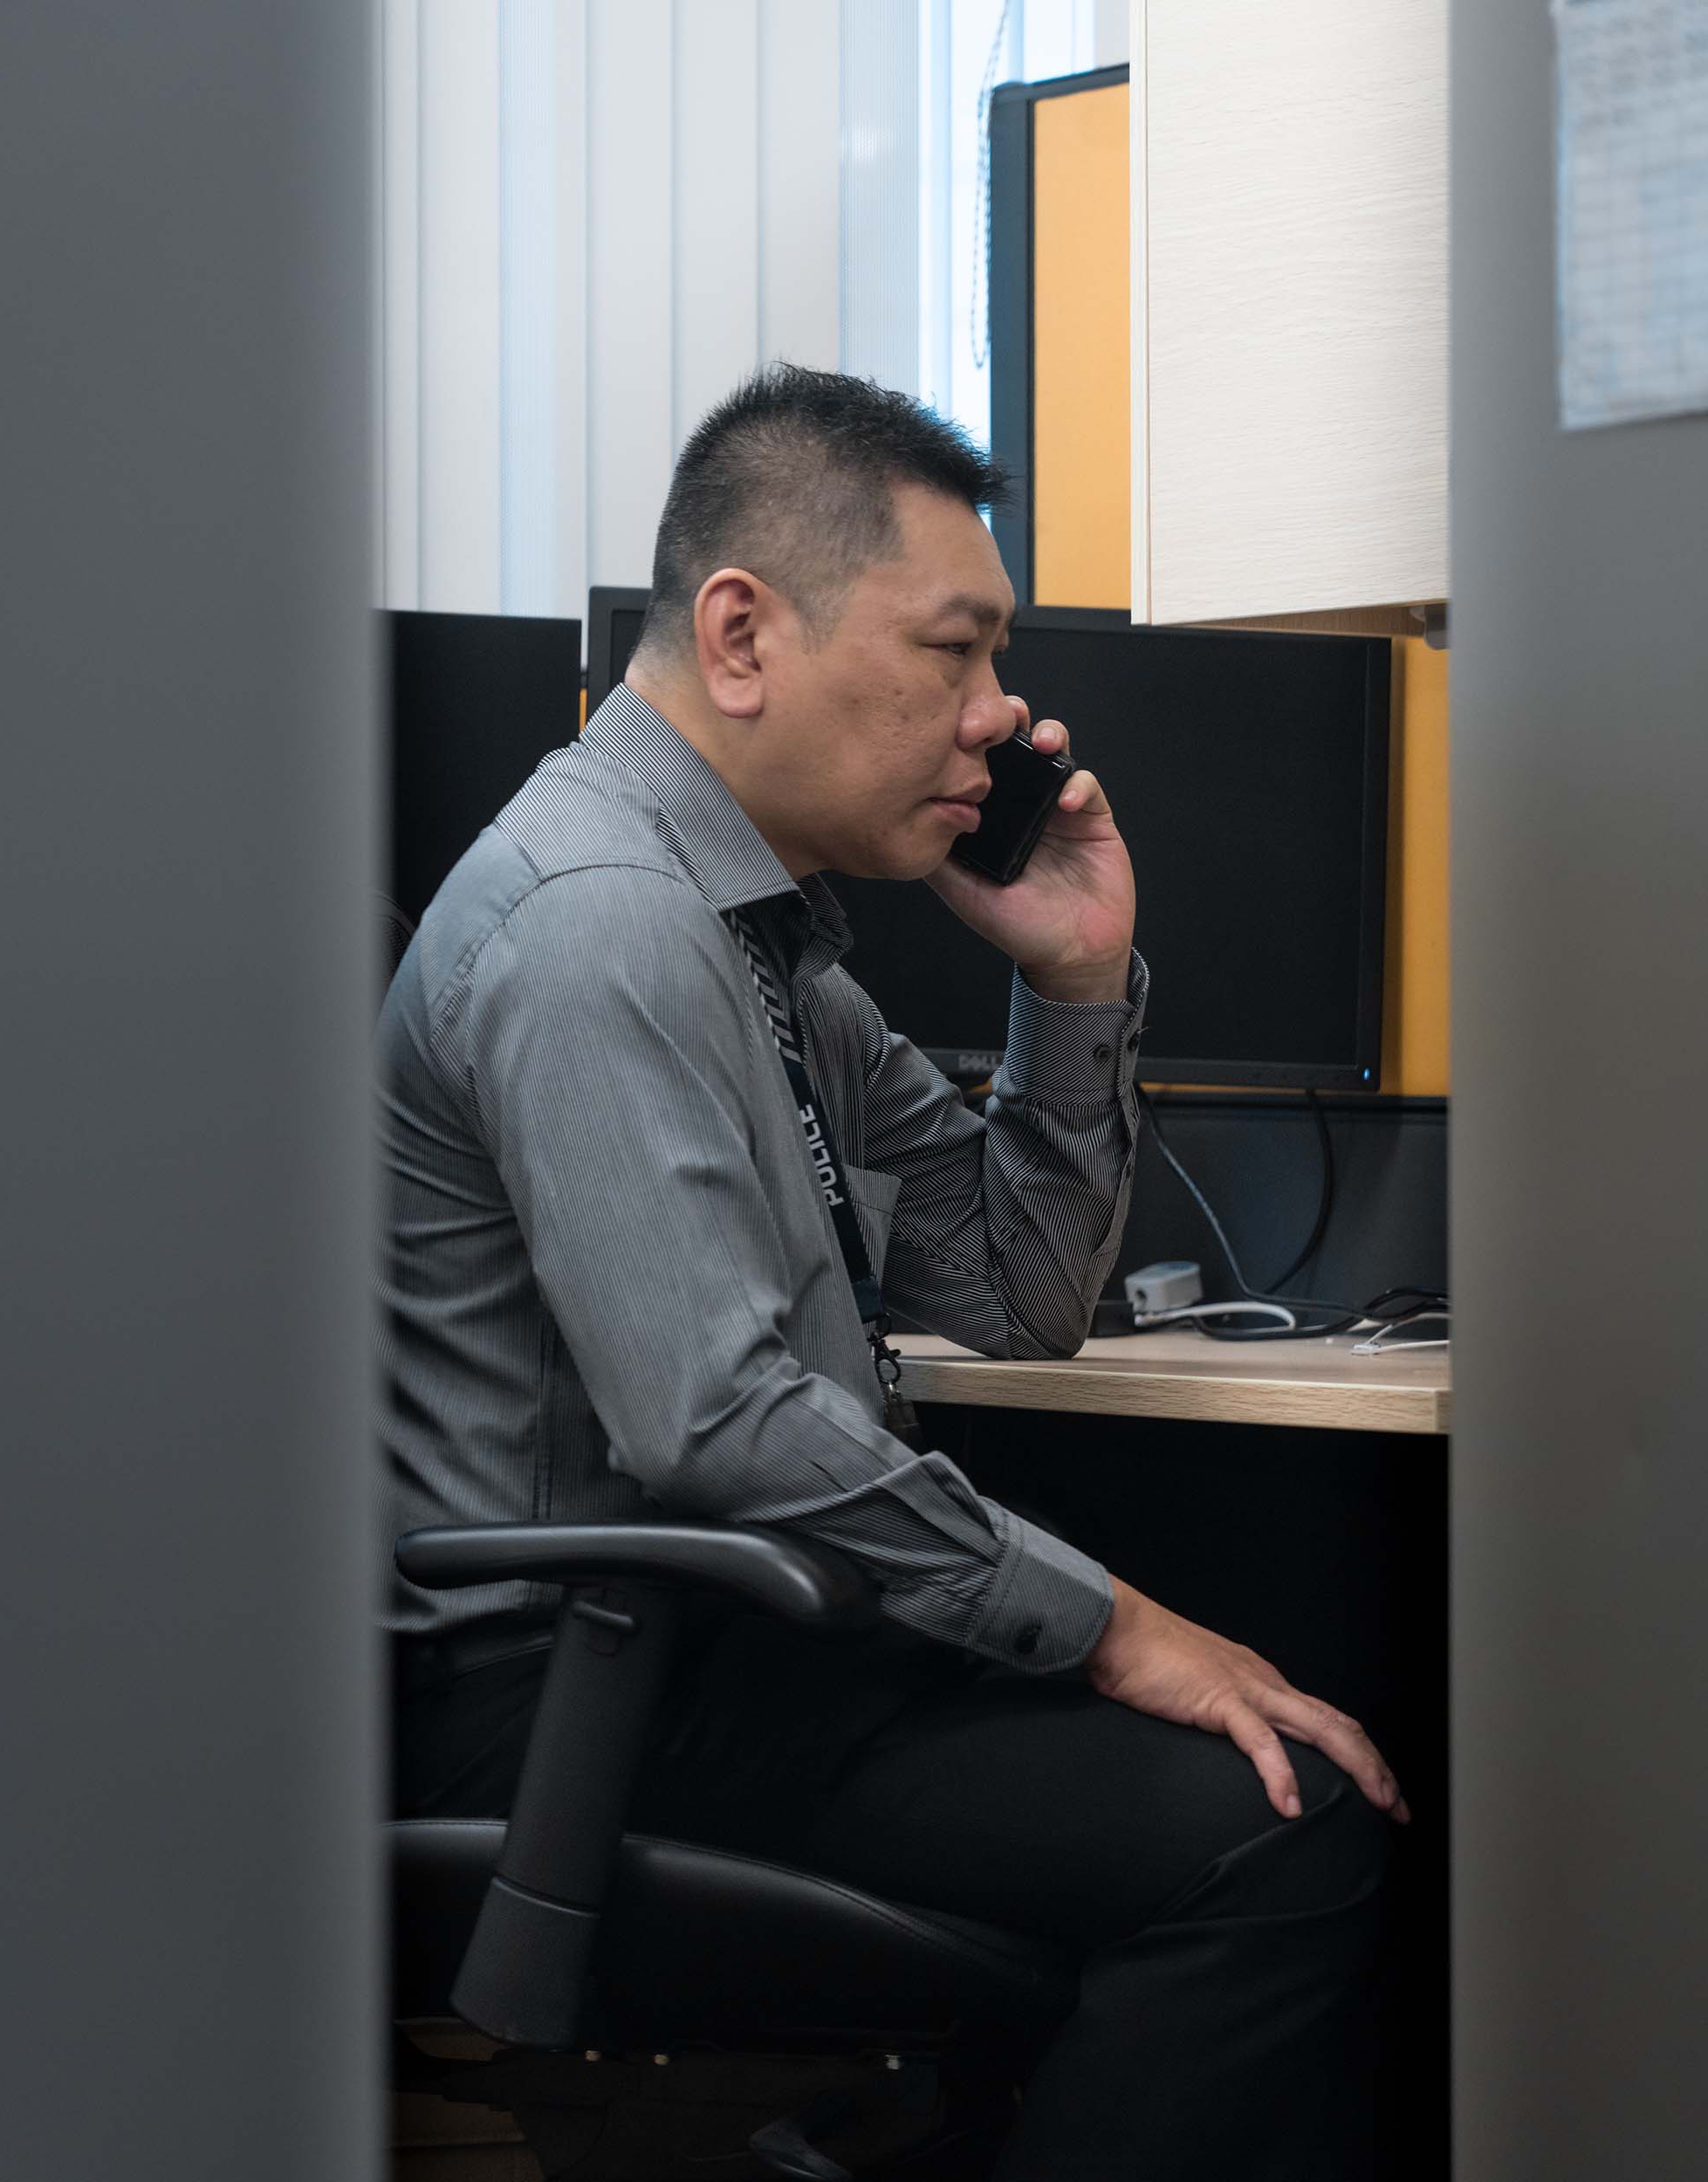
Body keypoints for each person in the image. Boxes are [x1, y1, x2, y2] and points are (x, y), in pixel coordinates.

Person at [381, 364, 1406, 2179]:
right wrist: (1116, 1627)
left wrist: (1073, 982)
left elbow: (1016, 1293)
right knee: (1276, 1824)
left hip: (726, 1654)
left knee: (1287, 1720)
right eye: (958, 649)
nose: (1005, 715)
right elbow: (720, 1424)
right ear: (743, 630)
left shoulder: (752, 935)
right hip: (576, 1704)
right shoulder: (600, 921)